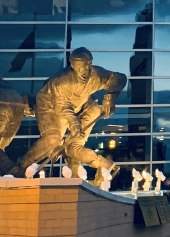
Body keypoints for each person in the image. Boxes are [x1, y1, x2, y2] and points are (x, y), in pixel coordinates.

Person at [16, 48, 126, 185]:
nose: (83, 70)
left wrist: (111, 97)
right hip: (52, 107)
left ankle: (97, 168)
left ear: (91, 63)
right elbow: (62, 107)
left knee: (72, 147)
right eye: (79, 67)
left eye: (86, 65)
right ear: (72, 65)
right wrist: (73, 124)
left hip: (84, 106)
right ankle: (22, 165)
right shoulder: (61, 82)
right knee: (55, 140)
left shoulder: (97, 75)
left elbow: (120, 78)